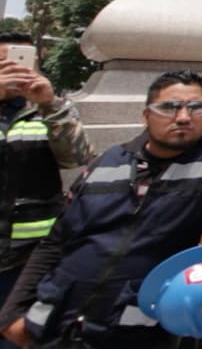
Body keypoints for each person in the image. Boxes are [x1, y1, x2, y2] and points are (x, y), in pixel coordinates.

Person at [0, 69, 202, 349]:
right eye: (169, 107)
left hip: (146, 332)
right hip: (58, 324)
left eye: (197, 107)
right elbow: (57, 239)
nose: (184, 117)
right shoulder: (109, 161)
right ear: (146, 115)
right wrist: (13, 311)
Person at [0, 36, 95, 349]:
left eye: (23, 62)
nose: (15, 70)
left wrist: (50, 105)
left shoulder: (50, 110)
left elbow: (78, 157)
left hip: (29, 261)